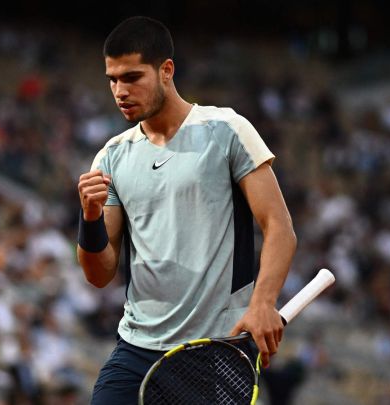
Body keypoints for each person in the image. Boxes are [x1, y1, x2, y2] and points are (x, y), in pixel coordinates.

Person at [76, 16, 297, 403]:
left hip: (212, 350)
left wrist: (262, 303)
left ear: (166, 71)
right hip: (136, 348)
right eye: (112, 79)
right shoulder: (111, 156)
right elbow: (99, 273)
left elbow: (279, 226)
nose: (119, 91)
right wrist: (90, 219)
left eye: (131, 77)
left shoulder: (226, 129)